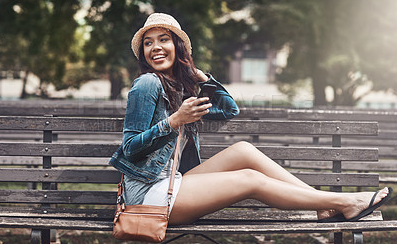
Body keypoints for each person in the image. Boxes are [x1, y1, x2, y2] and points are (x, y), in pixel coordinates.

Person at [109, 13, 392, 225]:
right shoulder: (146, 84)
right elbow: (129, 148)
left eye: (164, 39)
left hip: (173, 182)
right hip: (148, 196)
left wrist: (201, 77)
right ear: (143, 53)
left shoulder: (178, 91)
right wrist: (174, 121)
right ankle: (344, 201)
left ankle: (322, 205)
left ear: (178, 47)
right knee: (250, 180)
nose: (156, 47)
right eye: (148, 43)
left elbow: (230, 109)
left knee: (243, 150)